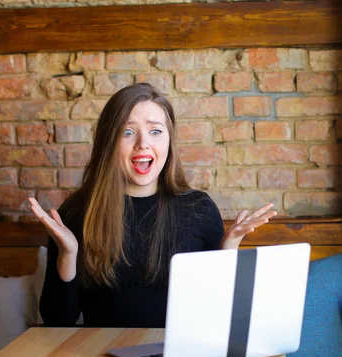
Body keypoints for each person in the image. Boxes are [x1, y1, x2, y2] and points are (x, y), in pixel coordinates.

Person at [28, 83, 276, 328]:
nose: (142, 144)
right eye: (127, 132)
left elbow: (220, 313)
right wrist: (68, 253)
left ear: (169, 141)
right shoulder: (76, 213)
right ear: (108, 142)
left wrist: (229, 247)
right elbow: (58, 321)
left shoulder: (199, 209)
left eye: (155, 131)